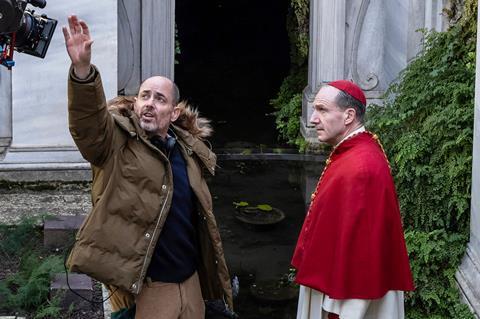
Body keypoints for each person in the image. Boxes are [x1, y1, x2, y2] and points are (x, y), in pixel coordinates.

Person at [62, 15, 233, 319]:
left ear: (175, 111)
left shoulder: (188, 150)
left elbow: (201, 221)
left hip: (190, 281)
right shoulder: (117, 141)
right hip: (151, 287)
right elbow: (88, 126)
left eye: (159, 98)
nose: (150, 103)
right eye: (144, 96)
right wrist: (82, 70)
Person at [291, 80, 414, 319]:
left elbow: (360, 257)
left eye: (322, 110)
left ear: (349, 116)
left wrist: (337, 312)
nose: (313, 119)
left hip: (348, 300)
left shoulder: (360, 167)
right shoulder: (357, 149)